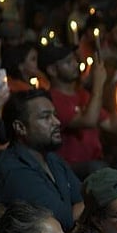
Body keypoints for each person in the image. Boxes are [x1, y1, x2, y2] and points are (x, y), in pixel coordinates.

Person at [0, 89, 84, 231]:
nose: (57, 122)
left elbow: (84, 197)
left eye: (55, 115)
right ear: (20, 127)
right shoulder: (14, 170)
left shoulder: (51, 158)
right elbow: (63, 221)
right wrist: (81, 209)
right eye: (45, 117)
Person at [40, 45, 112, 179]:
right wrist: (98, 84)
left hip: (96, 160)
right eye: (68, 62)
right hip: (71, 167)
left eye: (75, 60)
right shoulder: (51, 99)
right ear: (52, 70)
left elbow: (111, 125)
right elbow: (89, 121)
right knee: (98, 169)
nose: (75, 64)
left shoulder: (82, 94)